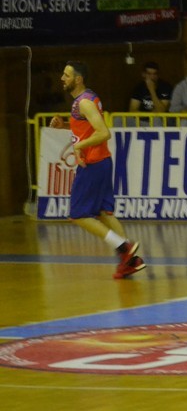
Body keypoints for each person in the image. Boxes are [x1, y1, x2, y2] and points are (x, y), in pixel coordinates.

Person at [49, 61, 146, 279]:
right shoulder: (87, 98)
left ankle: (122, 247)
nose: (62, 78)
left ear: (78, 79)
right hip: (102, 162)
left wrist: (79, 146)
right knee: (103, 213)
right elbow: (88, 128)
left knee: (78, 215)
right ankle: (129, 261)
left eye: (66, 75)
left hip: (92, 163)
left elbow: (104, 132)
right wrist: (64, 125)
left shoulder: (84, 103)